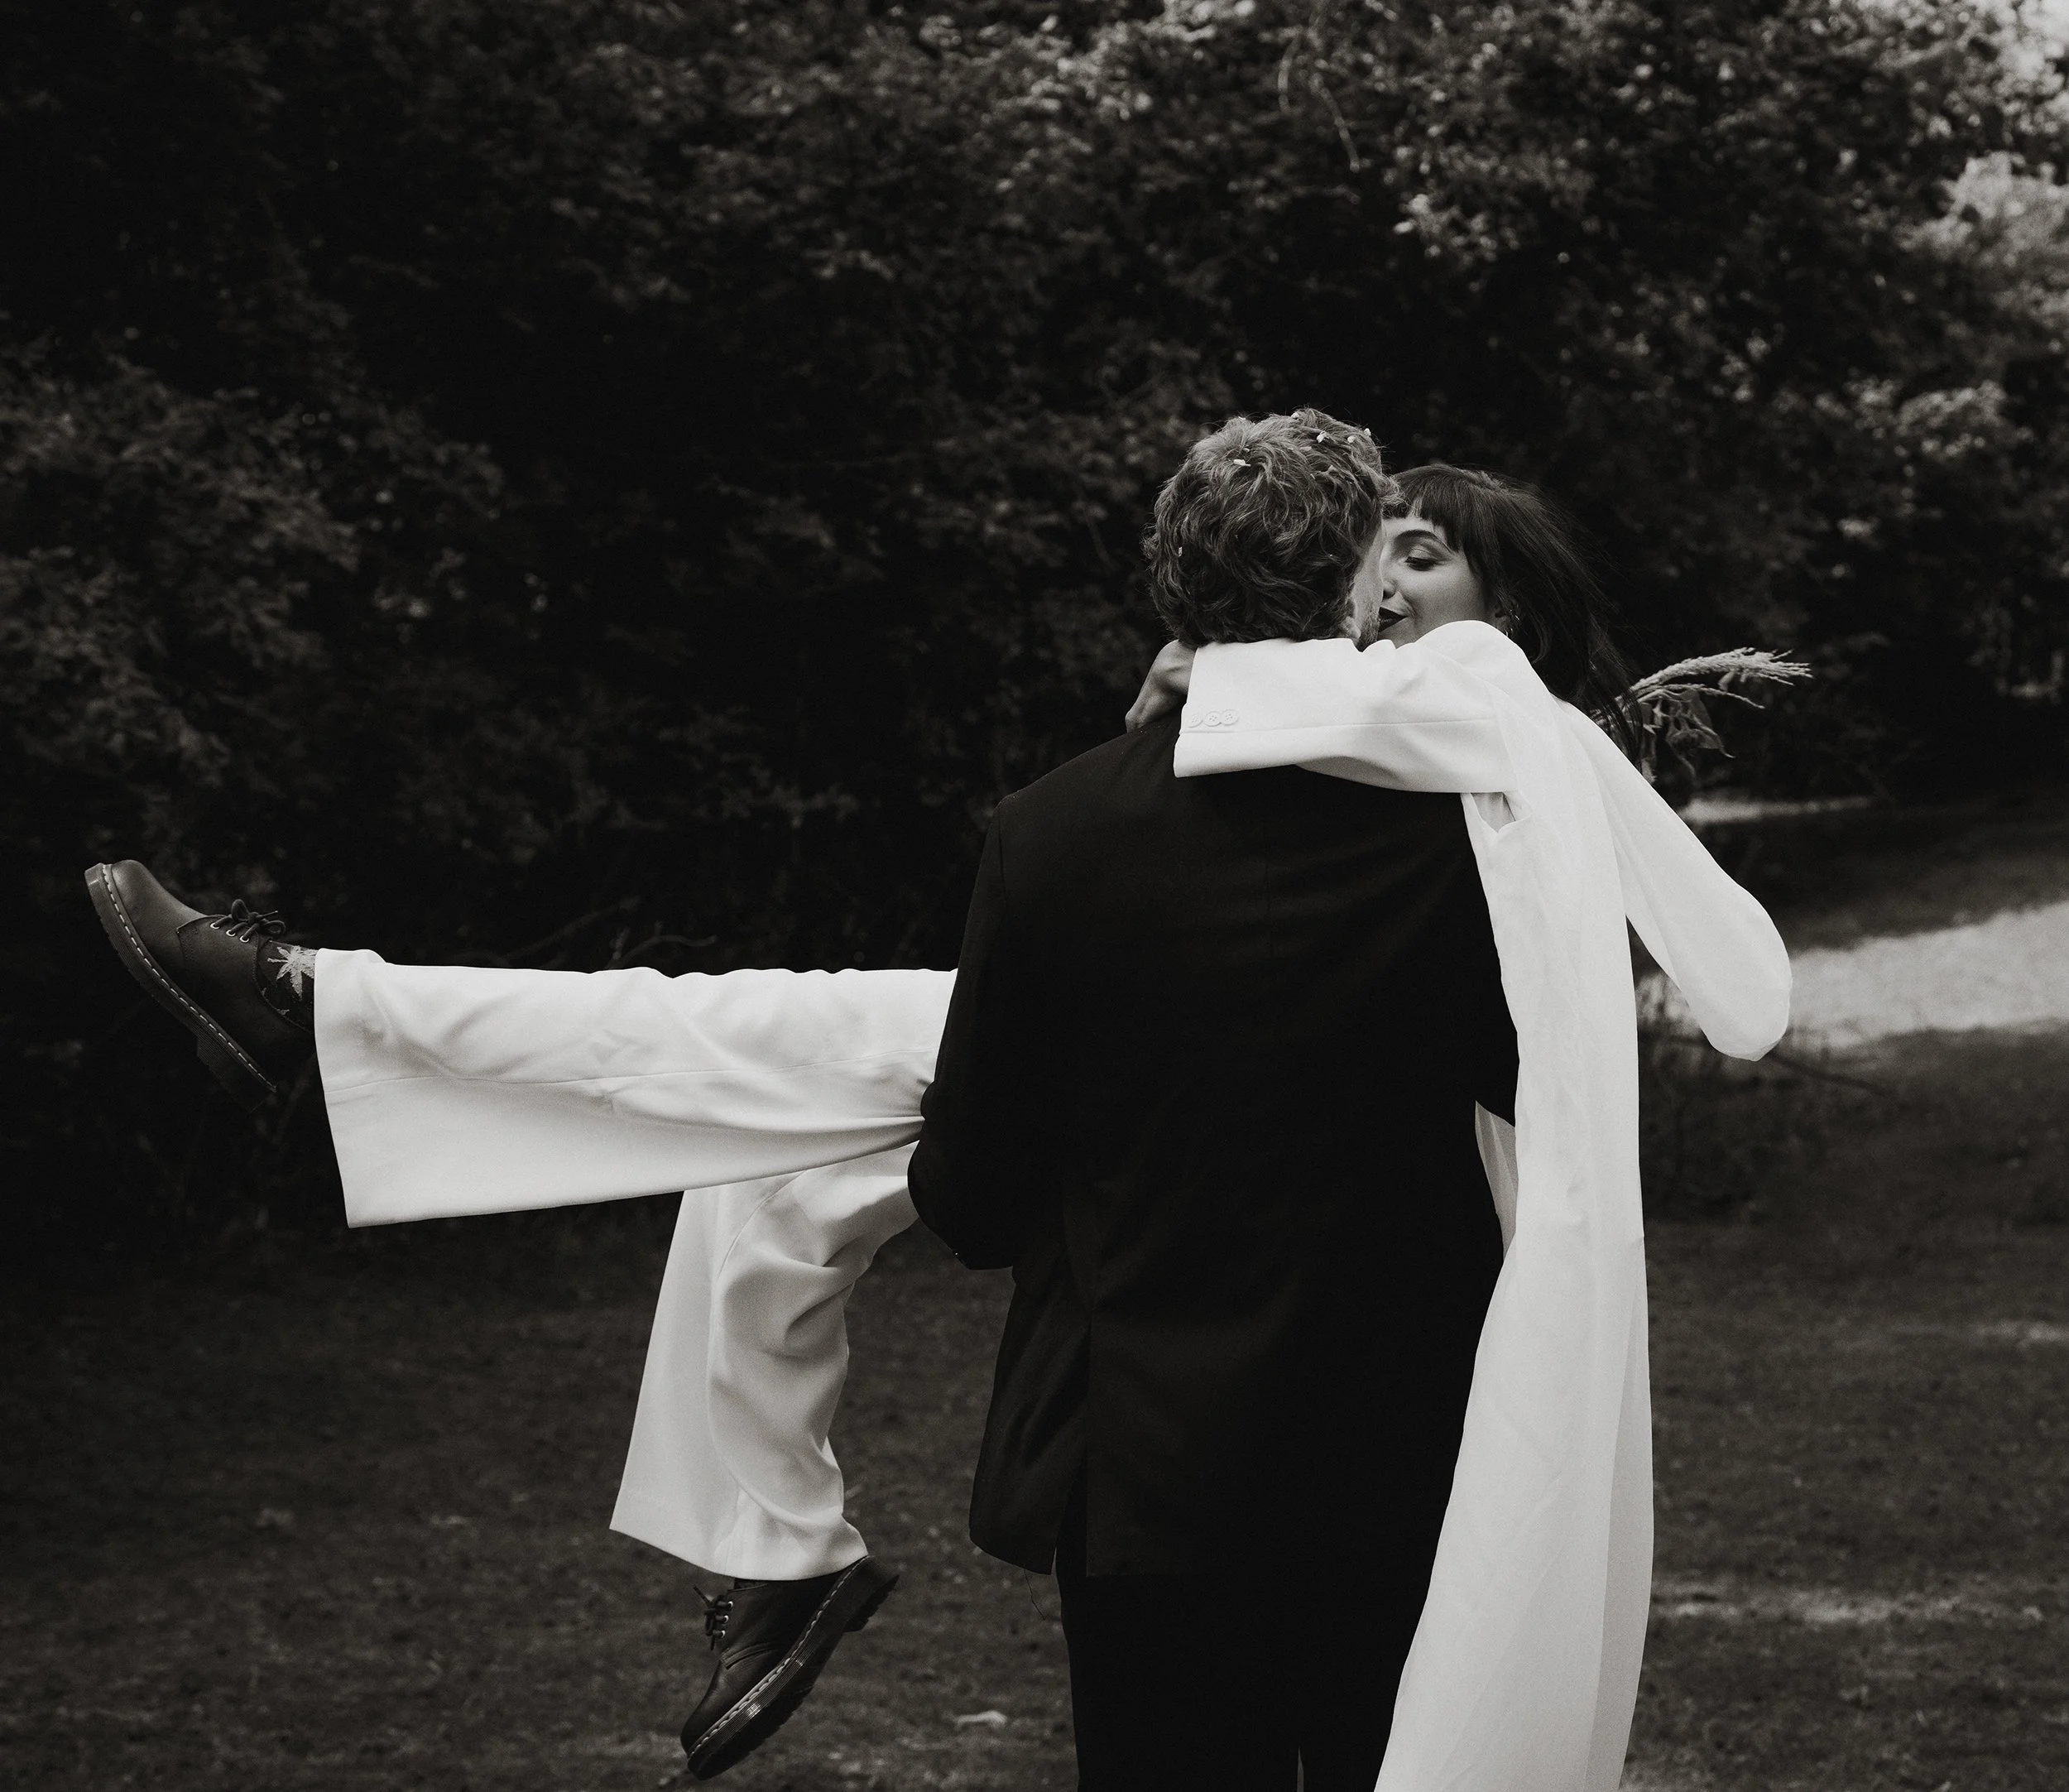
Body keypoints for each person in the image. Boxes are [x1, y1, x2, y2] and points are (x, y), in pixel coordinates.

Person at [86, 422, 1791, 1789]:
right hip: (1381, 1444)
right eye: (1390, 540)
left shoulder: (1409, 787)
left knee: (749, 1067)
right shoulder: (1393, 804)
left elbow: (986, 1193)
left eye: (1435, 550)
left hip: (1172, 1463)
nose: (1401, 581)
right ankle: (331, 1013)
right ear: (1332, 578)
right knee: (756, 1082)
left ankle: (328, 1006)